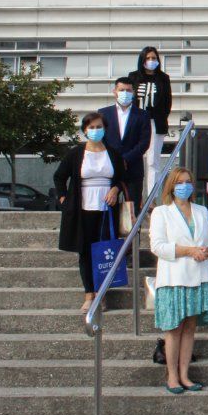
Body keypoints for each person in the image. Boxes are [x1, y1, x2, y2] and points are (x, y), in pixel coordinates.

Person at [149, 167, 208, 394]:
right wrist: (189, 250)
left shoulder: (201, 210)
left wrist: (207, 251)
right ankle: (172, 376)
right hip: (173, 278)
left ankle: (185, 374)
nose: (184, 186)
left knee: (189, 328)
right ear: (171, 185)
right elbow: (157, 246)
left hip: (198, 275)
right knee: (174, 328)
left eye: (188, 181)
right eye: (180, 182)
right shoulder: (161, 212)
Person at [54, 112, 126, 313]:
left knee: (104, 251)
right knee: (85, 252)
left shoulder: (113, 153)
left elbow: (122, 178)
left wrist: (115, 188)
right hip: (82, 209)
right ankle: (89, 294)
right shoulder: (76, 153)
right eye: (91, 127)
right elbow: (59, 177)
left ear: (105, 129)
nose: (95, 131)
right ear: (85, 130)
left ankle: (102, 294)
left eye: (99, 127)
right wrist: (63, 199)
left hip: (106, 211)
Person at [99, 76, 151, 210]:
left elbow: (144, 142)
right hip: (110, 169)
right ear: (114, 91)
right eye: (121, 90)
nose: (125, 93)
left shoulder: (142, 115)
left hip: (133, 170)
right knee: (109, 208)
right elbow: (101, 140)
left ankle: (134, 232)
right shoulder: (103, 113)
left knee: (133, 212)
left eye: (128, 90)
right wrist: (115, 160)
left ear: (133, 92)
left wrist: (126, 159)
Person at [128, 46, 173, 196]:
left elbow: (167, 102)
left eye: (154, 58)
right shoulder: (133, 77)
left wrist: (160, 118)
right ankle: (135, 196)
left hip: (155, 122)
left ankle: (151, 198)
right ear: (142, 60)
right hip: (136, 122)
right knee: (134, 158)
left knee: (153, 161)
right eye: (148, 58)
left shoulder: (163, 78)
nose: (151, 61)